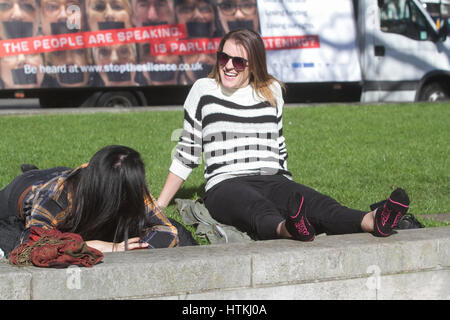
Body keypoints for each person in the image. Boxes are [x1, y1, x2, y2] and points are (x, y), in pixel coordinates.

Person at [157, 28, 411, 242]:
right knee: (258, 209)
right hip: (226, 183)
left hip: (273, 178)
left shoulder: (271, 91)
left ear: (253, 64)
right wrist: (159, 206)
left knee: (322, 205)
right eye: (224, 58)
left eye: (238, 61)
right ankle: (289, 229)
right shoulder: (203, 90)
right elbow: (187, 152)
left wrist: (287, 185)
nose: (229, 67)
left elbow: (278, 144)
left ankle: (373, 220)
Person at [0, 145, 179, 253]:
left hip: (67, 174)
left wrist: (141, 248)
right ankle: (31, 170)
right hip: (24, 190)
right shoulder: (59, 196)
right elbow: (34, 241)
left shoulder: (129, 185)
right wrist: (97, 246)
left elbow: (167, 230)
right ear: (108, 190)